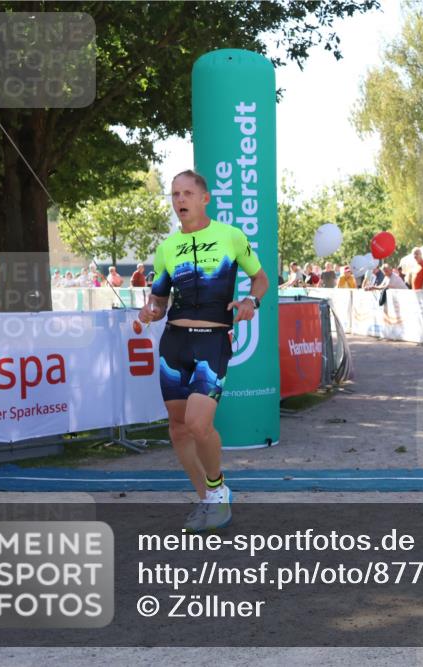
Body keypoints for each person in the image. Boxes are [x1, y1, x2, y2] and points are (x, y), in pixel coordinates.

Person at [138, 170, 269, 532]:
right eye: (174, 194)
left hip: (211, 341)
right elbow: (160, 301)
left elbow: (261, 279)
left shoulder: (230, 236)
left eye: (187, 193)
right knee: (178, 429)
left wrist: (250, 303)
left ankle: (217, 487)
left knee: (199, 423)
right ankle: (210, 500)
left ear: (204, 198)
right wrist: (150, 310)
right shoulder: (166, 248)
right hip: (174, 343)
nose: (180, 200)